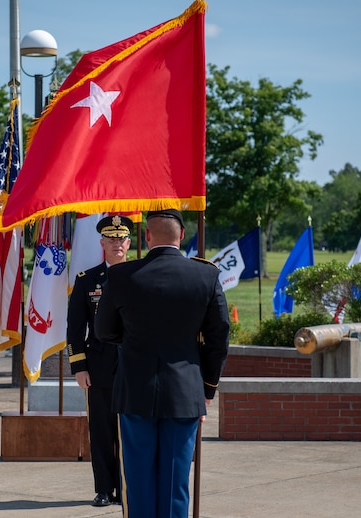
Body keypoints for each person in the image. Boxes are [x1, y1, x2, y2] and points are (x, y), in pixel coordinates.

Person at [94, 209, 230, 518]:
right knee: (174, 484)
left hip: (134, 392)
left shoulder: (120, 275)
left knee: (138, 483)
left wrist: (133, 341)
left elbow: (103, 331)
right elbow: (218, 340)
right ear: (182, 235)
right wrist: (207, 388)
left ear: (146, 236)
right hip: (185, 394)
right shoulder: (206, 275)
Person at [66, 214, 133, 507]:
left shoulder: (140, 275)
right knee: (102, 431)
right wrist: (79, 367)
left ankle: (127, 489)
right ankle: (104, 489)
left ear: (129, 243)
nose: (117, 244)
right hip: (99, 366)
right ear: (102, 243)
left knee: (131, 432)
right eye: (111, 239)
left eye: (121, 239)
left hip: (134, 367)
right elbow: (74, 328)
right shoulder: (87, 280)